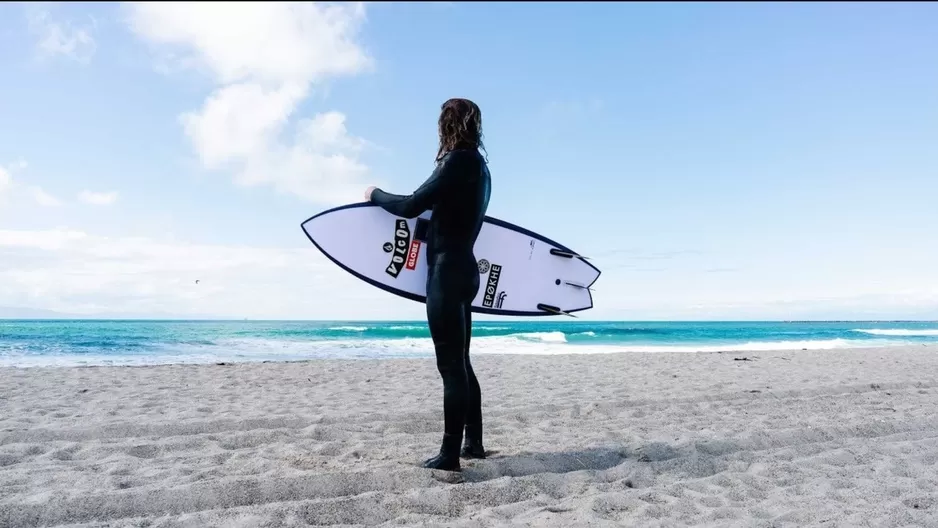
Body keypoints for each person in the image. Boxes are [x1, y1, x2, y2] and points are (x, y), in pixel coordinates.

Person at [364, 98, 491, 471]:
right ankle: (474, 444)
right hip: (465, 271)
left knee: (450, 367)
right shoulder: (482, 169)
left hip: (445, 274)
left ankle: (450, 455)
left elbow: (411, 204)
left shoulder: (456, 162)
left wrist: (374, 194)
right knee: (462, 363)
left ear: (447, 124)